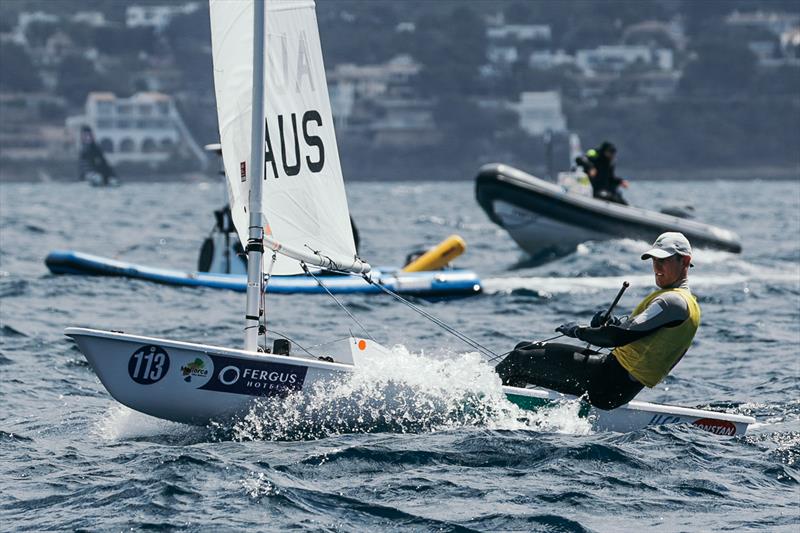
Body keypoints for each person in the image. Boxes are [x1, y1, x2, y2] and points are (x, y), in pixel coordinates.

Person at [496, 232, 701, 410]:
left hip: (608, 383)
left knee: (519, 359)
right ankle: (509, 409)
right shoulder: (677, 300)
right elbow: (632, 332)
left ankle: (484, 405)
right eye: (654, 260)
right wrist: (609, 321)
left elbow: (617, 337)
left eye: (663, 260)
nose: (657, 266)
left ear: (684, 261)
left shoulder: (674, 301)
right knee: (524, 348)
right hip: (611, 379)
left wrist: (579, 331)